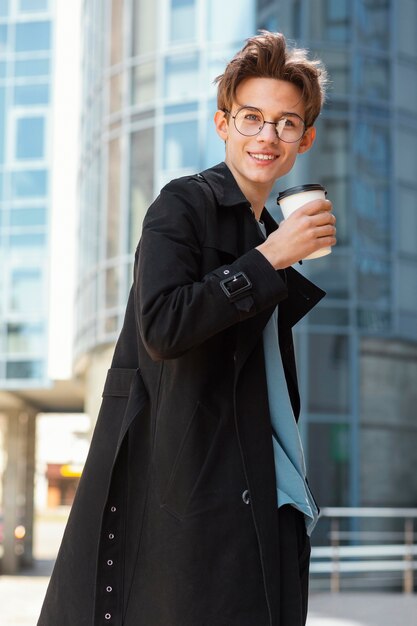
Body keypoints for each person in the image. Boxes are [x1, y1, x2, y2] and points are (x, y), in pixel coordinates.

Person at [38, 31, 336, 626]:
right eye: (252, 117)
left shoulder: (262, 231)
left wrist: (274, 253)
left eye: (285, 123)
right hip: (194, 497)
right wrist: (270, 260)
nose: (267, 136)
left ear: (303, 139)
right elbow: (163, 325)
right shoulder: (183, 205)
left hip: (256, 487)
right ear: (224, 123)